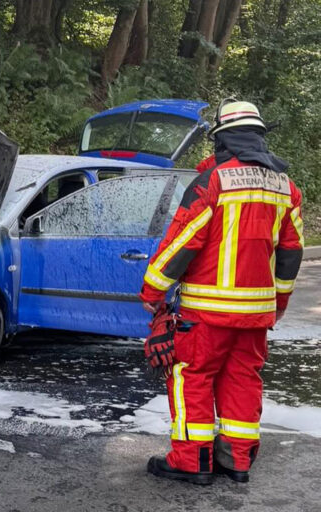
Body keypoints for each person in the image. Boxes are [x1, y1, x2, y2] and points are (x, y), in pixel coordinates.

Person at [139, 99, 304, 484]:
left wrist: (152, 291)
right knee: (243, 379)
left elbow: (183, 242)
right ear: (259, 137)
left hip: (206, 314)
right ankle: (236, 460)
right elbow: (291, 254)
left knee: (191, 376)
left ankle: (191, 461)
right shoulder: (286, 187)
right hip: (256, 315)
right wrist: (278, 303)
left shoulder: (213, 181)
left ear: (222, 139)